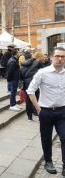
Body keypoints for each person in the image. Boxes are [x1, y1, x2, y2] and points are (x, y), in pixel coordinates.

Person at [27, 47, 65, 176]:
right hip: (46, 112)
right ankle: (48, 161)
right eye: (57, 56)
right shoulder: (42, 73)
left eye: (63, 56)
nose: (60, 59)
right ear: (51, 57)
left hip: (62, 112)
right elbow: (30, 90)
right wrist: (38, 108)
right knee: (46, 138)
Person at [20, 51, 46, 120]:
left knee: (28, 99)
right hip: (34, 82)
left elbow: (21, 74)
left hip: (26, 83)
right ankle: (38, 114)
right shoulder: (38, 62)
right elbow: (44, 72)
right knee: (37, 99)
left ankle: (29, 116)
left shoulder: (26, 63)